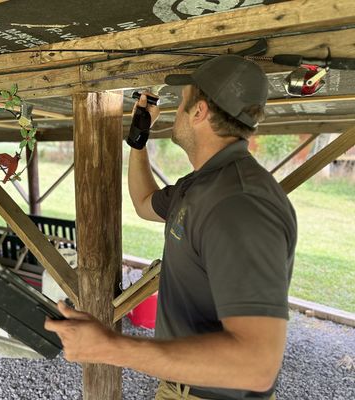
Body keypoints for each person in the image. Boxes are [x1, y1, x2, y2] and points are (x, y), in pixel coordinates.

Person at [45, 55, 297, 400]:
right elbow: (145, 202)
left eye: (181, 102)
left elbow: (257, 366)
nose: (176, 111)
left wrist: (109, 347)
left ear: (199, 112)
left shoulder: (239, 204)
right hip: (182, 387)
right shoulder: (205, 184)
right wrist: (139, 139)